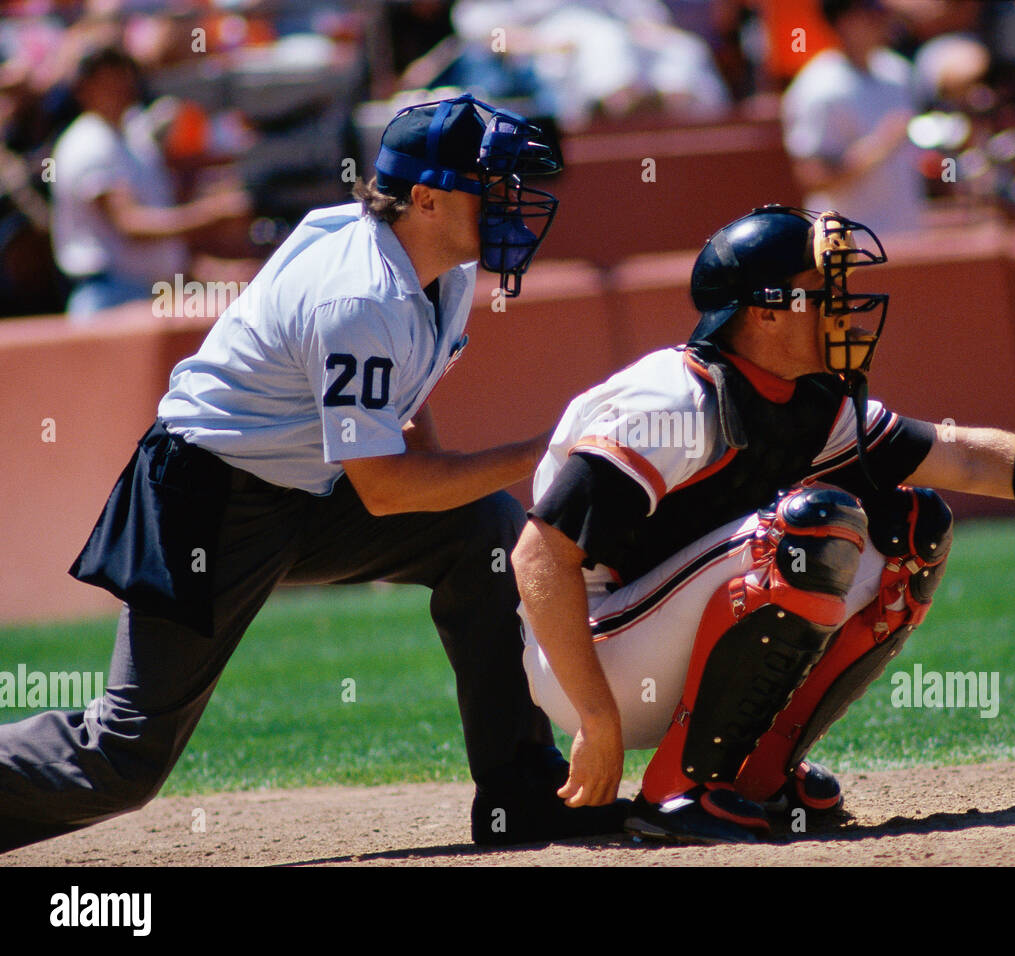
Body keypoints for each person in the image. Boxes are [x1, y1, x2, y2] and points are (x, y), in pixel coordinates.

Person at [511, 204, 1015, 843]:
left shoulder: (813, 397)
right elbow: (537, 553)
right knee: (808, 531)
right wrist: (597, 719)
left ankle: (757, 776)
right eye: (827, 290)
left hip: (655, 629)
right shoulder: (674, 401)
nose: (847, 306)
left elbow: (966, 458)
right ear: (765, 310)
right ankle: (681, 792)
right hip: (587, 650)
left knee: (911, 527)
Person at [0, 93, 627, 853]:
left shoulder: (438, 269)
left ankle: (522, 796)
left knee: (484, 532)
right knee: (122, 758)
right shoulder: (361, 293)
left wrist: (494, 470)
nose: (509, 201)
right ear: (425, 198)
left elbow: (396, 426)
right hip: (209, 499)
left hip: (305, 484)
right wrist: (547, 449)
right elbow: (388, 487)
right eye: (488, 185)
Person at [49, 47, 249, 321]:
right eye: (107, 80)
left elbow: (158, 230)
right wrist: (211, 213)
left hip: (151, 291)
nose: (119, 85)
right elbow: (130, 224)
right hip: (108, 297)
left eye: (122, 75)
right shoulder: (87, 142)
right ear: (84, 89)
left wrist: (213, 271)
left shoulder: (133, 134)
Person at [781, 0, 924, 235]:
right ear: (844, 20)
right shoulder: (818, 86)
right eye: (870, 10)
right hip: (848, 244)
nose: (881, 17)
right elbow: (813, 175)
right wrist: (879, 145)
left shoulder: (898, 72)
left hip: (907, 234)